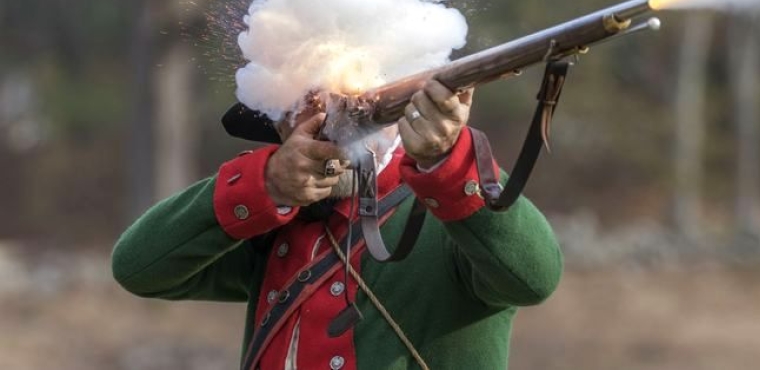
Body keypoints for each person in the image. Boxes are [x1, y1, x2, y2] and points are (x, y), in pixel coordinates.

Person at [112, 80, 563, 370]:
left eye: (354, 103)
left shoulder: (452, 215)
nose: (331, 122)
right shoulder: (273, 222)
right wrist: (265, 186)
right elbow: (138, 267)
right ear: (281, 129)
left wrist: (448, 161)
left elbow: (535, 277)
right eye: (303, 107)